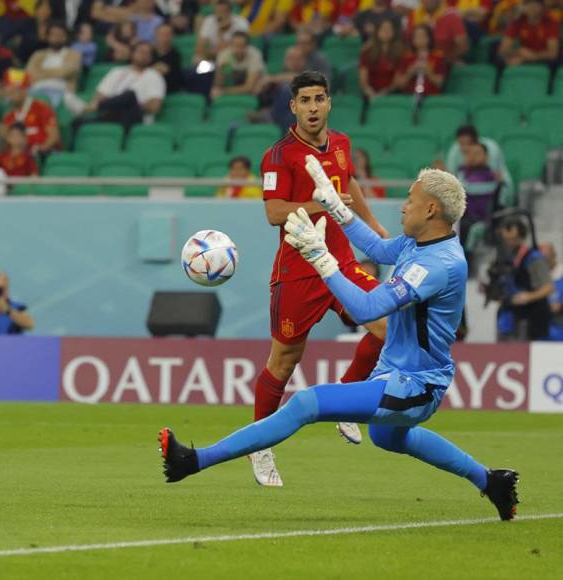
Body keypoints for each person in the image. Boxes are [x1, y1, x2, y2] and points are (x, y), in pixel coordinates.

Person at [159, 165, 521, 523]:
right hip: (395, 375)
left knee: (305, 403)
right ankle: (491, 481)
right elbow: (377, 249)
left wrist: (321, 259)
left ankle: (193, 461)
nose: (402, 206)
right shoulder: (422, 242)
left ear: (431, 209)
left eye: (410, 199)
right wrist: (336, 208)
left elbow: (367, 307)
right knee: (387, 437)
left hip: (417, 385)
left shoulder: (438, 265)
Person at [250, 71, 390, 488]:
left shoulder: (343, 145)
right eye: (305, 100)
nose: (313, 107)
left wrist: (373, 224)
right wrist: (323, 203)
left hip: (342, 261)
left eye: (319, 99)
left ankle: (347, 398)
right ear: (292, 106)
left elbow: (349, 185)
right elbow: (274, 213)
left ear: (329, 103)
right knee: (284, 361)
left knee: (387, 326)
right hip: (299, 271)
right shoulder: (279, 155)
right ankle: (259, 443)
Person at [68, 42, 165, 128]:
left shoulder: (154, 76)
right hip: (111, 114)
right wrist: (116, 105)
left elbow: (154, 106)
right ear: (133, 54)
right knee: (77, 122)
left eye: (147, 53)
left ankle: (85, 108)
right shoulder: (117, 71)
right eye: (140, 51)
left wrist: (126, 105)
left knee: (130, 95)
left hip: (136, 116)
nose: (143, 55)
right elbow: (99, 97)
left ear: (151, 58)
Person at [492, 217, 553, 341]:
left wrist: (528, 296)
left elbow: (548, 287)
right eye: (506, 239)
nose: (509, 242)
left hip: (529, 316)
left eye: (513, 239)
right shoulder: (503, 258)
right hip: (508, 313)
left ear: (521, 236)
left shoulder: (534, 258)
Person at [444, 125, 513, 205]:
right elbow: (452, 178)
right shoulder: (454, 151)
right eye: (462, 144)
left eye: (469, 143)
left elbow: (495, 178)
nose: (465, 148)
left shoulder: (491, 149)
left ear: (477, 141)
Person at [0, 68, 60, 156]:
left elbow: (53, 137)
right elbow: (5, 142)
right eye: (9, 92)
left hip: (42, 155)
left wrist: (39, 150)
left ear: (24, 91)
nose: (10, 96)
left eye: (14, 91)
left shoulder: (42, 108)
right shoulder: (8, 116)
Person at [26, 21, 82, 107]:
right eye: (53, 35)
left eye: (60, 35)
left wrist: (41, 71)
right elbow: (30, 74)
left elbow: (65, 72)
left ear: (65, 37)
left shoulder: (74, 55)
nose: (57, 38)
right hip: (37, 89)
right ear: (48, 37)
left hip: (61, 90)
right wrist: (56, 73)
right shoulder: (38, 55)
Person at [498, 0, 560, 67]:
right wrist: (519, 51)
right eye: (529, 5)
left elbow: (553, 53)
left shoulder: (550, 23)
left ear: (542, 7)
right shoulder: (518, 22)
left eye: (536, 5)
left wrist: (533, 56)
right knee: (504, 60)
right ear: (524, 7)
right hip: (523, 58)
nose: (532, 8)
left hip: (544, 61)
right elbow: (503, 49)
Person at [211, 31, 265, 100]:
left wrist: (224, 91)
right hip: (235, 80)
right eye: (235, 45)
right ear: (230, 45)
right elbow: (219, 83)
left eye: (241, 46)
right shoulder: (224, 55)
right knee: (214, 91)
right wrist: (223, 70)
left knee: (256, 88)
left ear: (247, 46)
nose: (238, 49)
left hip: (256, 80)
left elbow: (249, 87)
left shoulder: (255, 55)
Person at [359, 18, 404, 100]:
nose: (386, 31)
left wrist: (383, 94)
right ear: (377, 31)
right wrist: (370, 93)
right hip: (370, 94)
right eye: (383, 28)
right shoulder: (367, 53)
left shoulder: (400, 53)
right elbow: (363, 80)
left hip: (392, 94)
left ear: (394, 32)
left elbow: (397, 81)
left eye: (389, 29)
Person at [538, 242, 563, 341]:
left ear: (554, 254)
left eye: (548, 257)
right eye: (542, 259)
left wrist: (561, 306)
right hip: (542, 324)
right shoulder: (537, 275)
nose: (546, 261)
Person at [152, 22, 182, 95]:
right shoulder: (149, 53)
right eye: (161, 35)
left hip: (168, 89)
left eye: (168, 35)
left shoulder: (175, 55)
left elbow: (175, 78)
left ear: (173, 36)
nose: (164, 38)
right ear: (156, 35)